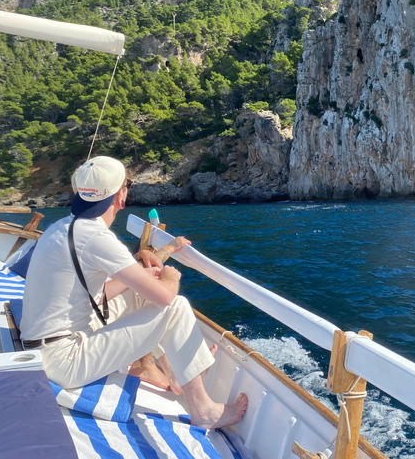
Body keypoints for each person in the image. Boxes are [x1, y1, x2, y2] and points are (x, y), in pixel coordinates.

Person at [19, 156, 247, 428]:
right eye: (126, 184)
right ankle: (204, 410)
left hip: (44, 347)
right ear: (121, 196)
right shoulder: (96, 237)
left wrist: (138, 277)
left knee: (140, 292)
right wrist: (170, 276)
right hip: (65, 361)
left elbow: (95, 295)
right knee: (174, 306)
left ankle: (174, 375)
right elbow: (164, 297)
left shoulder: (62, 227)